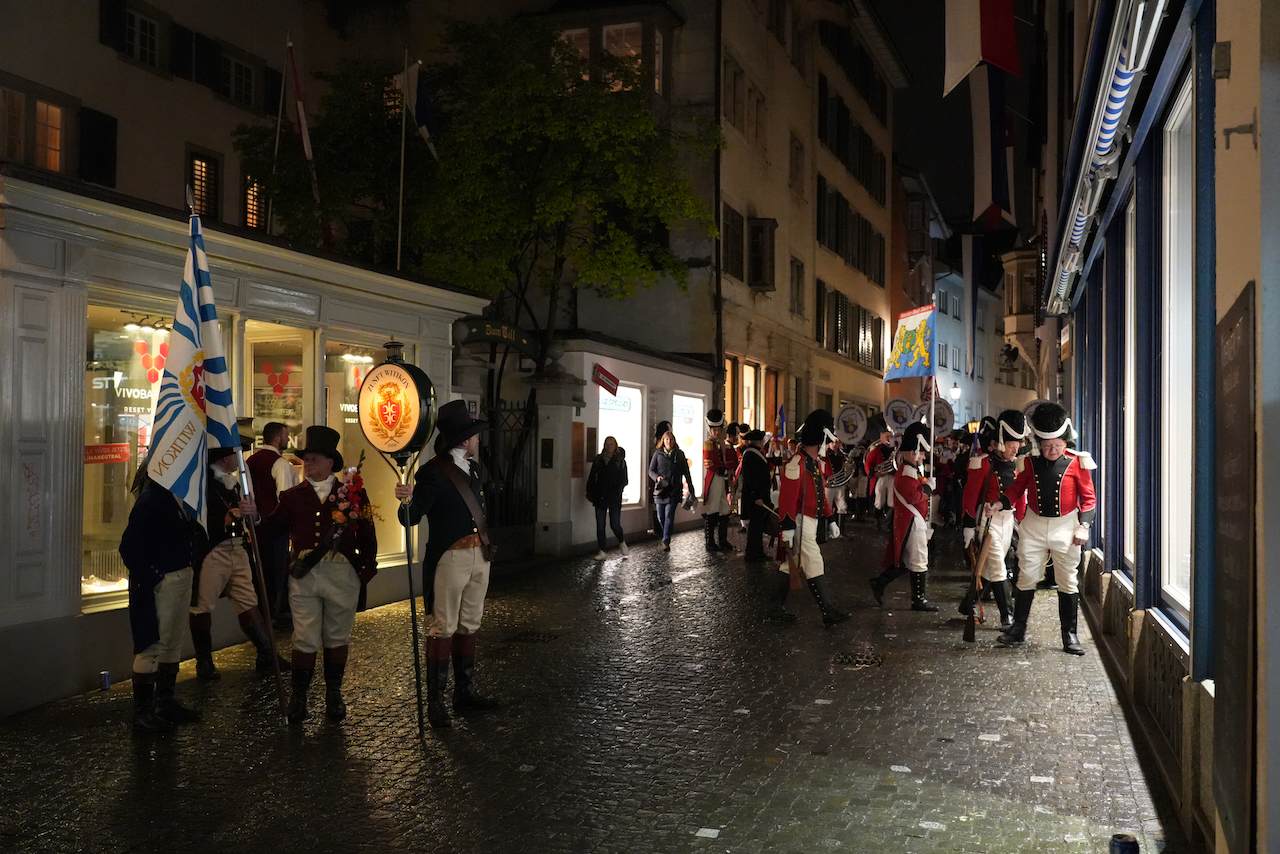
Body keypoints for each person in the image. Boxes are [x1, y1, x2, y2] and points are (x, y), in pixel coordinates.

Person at [259, 426, 377, 725]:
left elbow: (367, 532)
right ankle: (299, 698)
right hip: (305, 575)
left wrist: (365, 570)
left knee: (337, 635)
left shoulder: (353, 493)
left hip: (342, 573)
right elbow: (271, 530)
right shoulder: (292, 496)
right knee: (304, 637)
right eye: (306, 459)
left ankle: (334, 694)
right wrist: (253, 517)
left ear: (329, 462)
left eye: (313, 459)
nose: (308, 464)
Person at [395, 401, 499, 728]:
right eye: (474, 436)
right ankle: (436, 702)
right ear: (465, 440)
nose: (477, 440)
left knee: (470, 623)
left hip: (479, 554)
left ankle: (463, 693)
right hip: (450, 558)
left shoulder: (476, 470)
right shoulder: (433, 472)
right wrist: (406, 500)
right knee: (443, 626)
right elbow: (410, 518)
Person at [996, 402, 1097, 655]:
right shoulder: (1029, 463)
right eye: (1047, 446)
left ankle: (1070, 635)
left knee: (1067, 580)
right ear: (1039, 443)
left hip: (1066, 526)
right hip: (1034, 526)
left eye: (1057, 445)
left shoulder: (1078, 462)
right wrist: (1001, 502)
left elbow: (1089, 499)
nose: (1052, 450)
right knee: (1026, 576)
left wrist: (1084, 525)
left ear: (1065, 442)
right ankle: (1018, 629)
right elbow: (1017, 488)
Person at [119, 458, 210, 731]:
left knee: (172, 642)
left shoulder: (180, 498)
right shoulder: (152, 500)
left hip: (180, 576)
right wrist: (154, 575)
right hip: (161, 581)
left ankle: (165, 702)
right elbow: (129, 547)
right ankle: (143, 712)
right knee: (152, 645)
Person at [190, 440, 290, 681]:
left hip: (238, 548)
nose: (240, 459)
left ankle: (266, 653)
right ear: (225, 458)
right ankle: (204, 661)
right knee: (202, 605)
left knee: (248, 600)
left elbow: (251, 519)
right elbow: (198, 520)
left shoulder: (234, 484)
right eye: (236, 454)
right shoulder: (204, 485)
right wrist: (224, 519)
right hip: (214, 550)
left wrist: (252, 514)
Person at [770, 410, 849, 626]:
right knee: (814, 561)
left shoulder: (812, 462)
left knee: (788, 565)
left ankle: (775, 607)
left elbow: (820, 494)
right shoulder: (797, 462)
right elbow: (788, 499)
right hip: (799, 522)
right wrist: (787, 526)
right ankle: (827, 610)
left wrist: (830, 518)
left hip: (810, 521)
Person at [959, 412, 1027, 630]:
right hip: (988, 521)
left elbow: (1020, 496)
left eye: (1017, 444)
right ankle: (1007, 616)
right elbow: (970, 496)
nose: (1015, 449)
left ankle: (968, 602)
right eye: (1011, 444)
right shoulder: (982, 463)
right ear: (1001, 442)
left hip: (1008, 520)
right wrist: (969, 525)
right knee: (997, 565)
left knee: (988, 567)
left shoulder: (1017, 465)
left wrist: (1022, 521)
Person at [869, 421, 940, 612]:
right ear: (912, 452)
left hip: (914, 521)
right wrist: (928, 488)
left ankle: (880, 583)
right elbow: (914, 497)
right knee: (918, 559)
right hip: (911, 522)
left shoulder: (911, 470)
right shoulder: (907, 472)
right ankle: (918, 600)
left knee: (905, 562)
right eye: (921, 452)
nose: (923, 456)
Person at [246, 420, 299, 628]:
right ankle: (276, 615)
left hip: (256, 526)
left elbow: (248, 494)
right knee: (277, 574)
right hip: (276, 529)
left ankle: (263, 615)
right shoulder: (280, 464)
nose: (287, 439)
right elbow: (284, 499)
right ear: (277, 438)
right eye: (286, 435)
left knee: (261, 573)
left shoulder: (250, 461)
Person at [648, 431, 696, 551]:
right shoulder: (657, 454)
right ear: (663, 441)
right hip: (660, 491)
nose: (669, 442)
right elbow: (651, 471)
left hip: (674, 490)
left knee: (669, 515)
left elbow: (686, 472)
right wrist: (657, 478)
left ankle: (666, 541)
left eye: (671, 439)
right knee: (661, 517)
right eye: (667, 439)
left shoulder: (679, 454)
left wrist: (691, 487)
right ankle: (666, 534)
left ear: (674, 441)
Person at [586, 436, 629, 560]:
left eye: (611, 444)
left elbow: (624, 480)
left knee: (615, 524)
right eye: (607, 444)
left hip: (614, 497)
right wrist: (590, 492)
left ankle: (621, 541)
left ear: (615, 446)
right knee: (600, 525)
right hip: (600, 496)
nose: (609, 446)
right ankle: (602, 550)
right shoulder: (598, 460)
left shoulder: (620, 461)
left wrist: (618, 491)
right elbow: (592, 477)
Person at [702, 410, 737, 553]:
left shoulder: (723, 443)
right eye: (714, 430)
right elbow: (712, 464)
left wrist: (727, 467)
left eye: (718, 429)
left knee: (724, 510)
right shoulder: (708, 444)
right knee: (712, 510)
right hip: (715, 479)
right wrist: (725, 468)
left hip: (723, 479)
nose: (716, 432)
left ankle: (722, 541)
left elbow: (731, 460)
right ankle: (710, 542)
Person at [736, 429, 772, 561]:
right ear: (758, 441)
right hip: (756, 498)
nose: (763, 442)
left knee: (758, 526)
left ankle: (758, 552)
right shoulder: (750, 455)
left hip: (759, 496)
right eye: (761, 440)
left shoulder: (753, 453)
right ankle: (752, 554)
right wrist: (756, 496)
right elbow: (750, 478)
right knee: (755, 527)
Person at [864, 424, 897, 531]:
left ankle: (888, 524)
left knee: (892, 501)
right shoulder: (876, 450)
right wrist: (873, 473)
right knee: (879, 501)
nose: (889, 439)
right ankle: (877, 522)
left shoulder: (896, 450)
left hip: (892, 477)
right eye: (887, 437)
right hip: (880, 478)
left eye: (890, 436)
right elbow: (868, 464)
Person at [648, 420, 671, 535]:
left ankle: (662, 531)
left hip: (665, 482)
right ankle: (659, 529)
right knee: (657, 505)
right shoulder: (657, 449)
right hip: (657, 480)